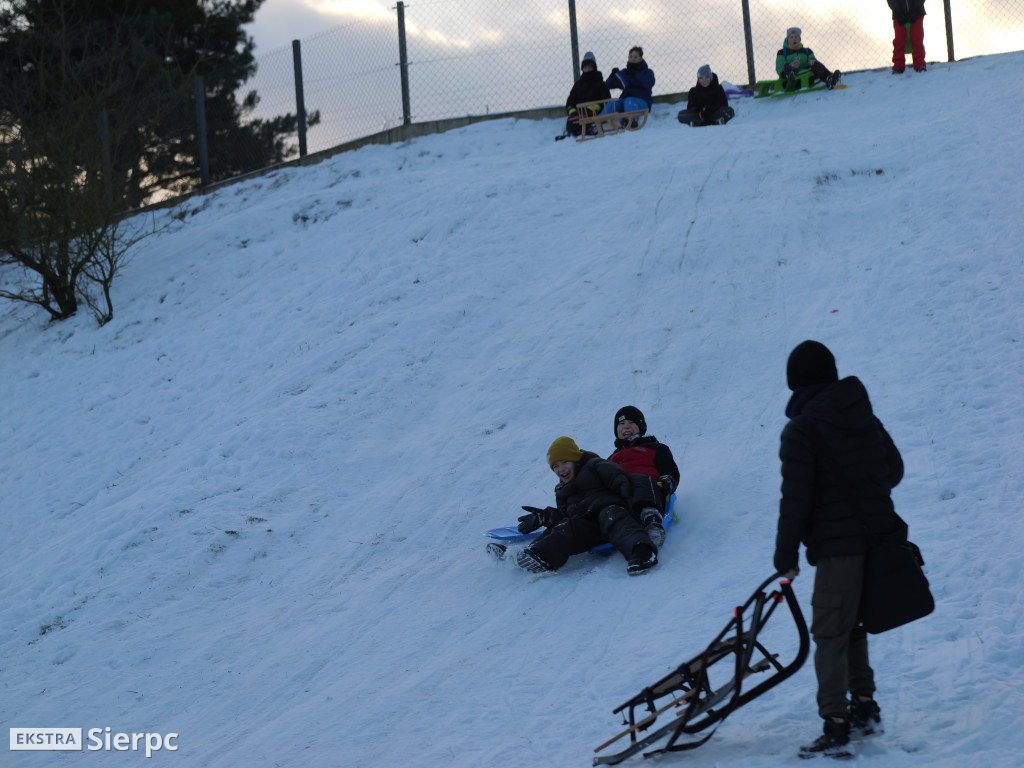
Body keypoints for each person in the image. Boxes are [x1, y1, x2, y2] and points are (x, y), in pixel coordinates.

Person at [772, 341, 905, 758]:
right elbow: (895, 470)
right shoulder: (862, 414)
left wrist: (786, 557)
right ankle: (864, 706)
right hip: (880, 541)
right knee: (852, 626)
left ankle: (836, 723)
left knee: (831, 631)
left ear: (796, 382)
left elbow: (795, 499)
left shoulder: (801, 429)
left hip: (839, 547)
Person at [513, 436, 659, 575]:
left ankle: (643, 551)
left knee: (613, 516)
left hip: (609, 511)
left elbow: (621, 482)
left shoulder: (596, 466)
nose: (561, 469)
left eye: (565, 462)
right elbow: (566, 516)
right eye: (555, 466)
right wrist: (546, 516)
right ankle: (536, 555)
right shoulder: (562, 490)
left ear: (575, 458)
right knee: (564, 528)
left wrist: (634, 509)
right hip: (587, 525)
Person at [607, 405, 680, 549]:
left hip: (647, 490)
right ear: (616, 430)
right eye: (621, 424)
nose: (626, 426)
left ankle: (651, 520)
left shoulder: (656, 448)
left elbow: (671, 473)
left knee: (637, 478)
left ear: (641, 426)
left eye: (632, 423)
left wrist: (667, 482)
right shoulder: (610, 458)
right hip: (620, 495)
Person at [564, 51, 612, 137]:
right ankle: (579, 130)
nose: (588, 69)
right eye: (585, 67)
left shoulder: (600, 84)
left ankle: (590, 128)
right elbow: (570, 102)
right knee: (573, 121)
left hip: (594, 113)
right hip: (579, 114)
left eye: (590, 67)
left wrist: (594, 108)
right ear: (582, 68)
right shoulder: (578, 85)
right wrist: (572, 112)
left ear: (594, 68)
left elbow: (606, 100)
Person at [775, 28, 841, 90]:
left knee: (815, 64)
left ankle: (829, 79)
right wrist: (792, 66)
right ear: (787, 40)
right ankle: (790, 75)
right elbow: (779, 66)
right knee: (786, 67)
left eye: (796, 37)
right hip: (789, 80)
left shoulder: (807, 51)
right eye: (791, 37)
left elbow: (812, 58)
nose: (794, 39)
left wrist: (812, 60)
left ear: (799, 39)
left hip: (807, 78)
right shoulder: (782, 52)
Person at [603, 45, 655, 115]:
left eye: (635, 57)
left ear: (641, 58)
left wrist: (635, 74)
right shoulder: (626, 72)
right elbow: (608, 85)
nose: (632, 59)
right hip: (625, 101)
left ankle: (630, 121)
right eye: (630, 57)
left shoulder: (647, 72)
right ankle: (599, 123)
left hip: (642, 101)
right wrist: (613, 75)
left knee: (629, 101)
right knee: (612, 104)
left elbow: (648, 83)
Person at [888, 0, 926, 73]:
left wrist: (916, 10)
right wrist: (898, 11)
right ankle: (898, 65)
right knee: (899, 40)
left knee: (917, 39)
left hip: (917, 13)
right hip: (898, 15)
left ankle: (920, 64)